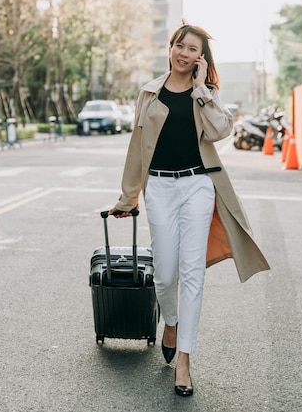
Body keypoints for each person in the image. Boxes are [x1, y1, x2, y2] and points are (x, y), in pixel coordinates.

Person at [108, 22, 270, 397]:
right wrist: (128, 196)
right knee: (164, 274)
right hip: (160, 187)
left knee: (192, 273)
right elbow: (137, 148)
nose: (185, 53)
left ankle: (185, 360)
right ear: (171, 48)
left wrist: (200, 91)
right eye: (180, 46)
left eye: (193, 49)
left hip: (198, 185)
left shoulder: (206, 93)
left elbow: (220, 131)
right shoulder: (149, 92)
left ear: (201, 58)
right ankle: (172, 323)